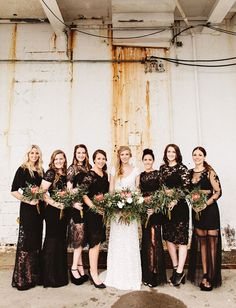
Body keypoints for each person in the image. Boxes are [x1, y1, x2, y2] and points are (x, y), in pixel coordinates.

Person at [104, 145, 142, 290]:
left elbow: (137, 189)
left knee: (129, 240)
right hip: (117, 212)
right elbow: (111, 189)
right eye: (122, 154)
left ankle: (131, 275)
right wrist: (114, 204)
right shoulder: (114, 170)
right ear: (119, 156)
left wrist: (130, 205)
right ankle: (116, 274)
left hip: (130, 212)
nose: (124, 157)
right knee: (118, 241)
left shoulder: (136, 170)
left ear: (130, 155)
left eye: (127, 154)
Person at [187, 146, 222, 291]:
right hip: (197, 213)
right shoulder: (189, 173)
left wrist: (204, 204)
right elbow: (187, 192)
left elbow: (219, 192)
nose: (197, 157)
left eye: (199, 154)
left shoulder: (210, 172)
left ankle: (212, 277)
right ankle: (205, 274)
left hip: (210, 211)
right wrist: (194, 203)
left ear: (204, 156)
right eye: (194, 154)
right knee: (202, 244)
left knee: (212, 244)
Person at [11, 145, 44, 291]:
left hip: (39, 212)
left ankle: (33, 276)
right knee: (26, 243)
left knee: (36, 243)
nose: (34, 155)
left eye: (37, 153)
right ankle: (22, 279)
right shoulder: (23, 169)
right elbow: (13, 191)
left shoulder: (40, 170)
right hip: (27, 211)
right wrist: (28, 200)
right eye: (32, 153)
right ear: (28, 154)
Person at [159, 144, 190, 287]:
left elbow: (186, 188)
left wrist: (175, 199)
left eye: (173, 151)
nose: (171, 154)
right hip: (166, 208)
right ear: (166, 153)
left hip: (180, 208)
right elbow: (160, 187)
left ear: (177, 153)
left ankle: (179, 271)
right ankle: (176, 268)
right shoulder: (162, 168)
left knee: (182, 239)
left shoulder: (182, 169)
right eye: (168, 151)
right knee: (169, 238)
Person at [41, 150, 69, 288]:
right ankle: (49, 277)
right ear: (53, 160)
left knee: (61, 240)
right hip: (52, 212)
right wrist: (56, 204)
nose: (59, 161)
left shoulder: (65, 174)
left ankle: (60, 275)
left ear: (64, 159)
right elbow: (42, 193)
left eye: (61, 158)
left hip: (64, 212)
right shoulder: (50, 172)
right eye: (56, 159)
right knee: (52, 240)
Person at [139, 148, 167, 287]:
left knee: (155, 240)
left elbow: (162, 193)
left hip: (156, 212)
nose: (148, 162)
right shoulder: (140, 175)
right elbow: (138, 194)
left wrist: (155, 208)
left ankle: (156, 272)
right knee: (147, 241)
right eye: (145, 160)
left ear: (153, 161)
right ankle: (148, 273)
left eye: (150, 159)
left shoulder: (158, 174)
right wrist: (144, 204)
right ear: (142, 161)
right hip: (145, 212)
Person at [82, 149, 109, 288]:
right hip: (92, 213)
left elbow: (106, 194)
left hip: (102, 213)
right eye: (98, 158)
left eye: (103, 158)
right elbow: (84, 194)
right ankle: (93, 274)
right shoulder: (90, 174)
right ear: (94, 160)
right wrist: (94, 207)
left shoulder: (105, 175)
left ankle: (93, 270)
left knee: (98, 242)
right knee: (94, 243)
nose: (101, 161)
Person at [67, 144, 91, 285]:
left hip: (86, 206)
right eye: (78, 152)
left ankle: (81, 266)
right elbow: (69, 190)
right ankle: (74, 268)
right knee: (79, 237)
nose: (81, 155)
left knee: (81, 239)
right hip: (77, 207)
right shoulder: (72, 169)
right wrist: (73, 204)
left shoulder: (88, 168)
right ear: (75, 154)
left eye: (83, 152)